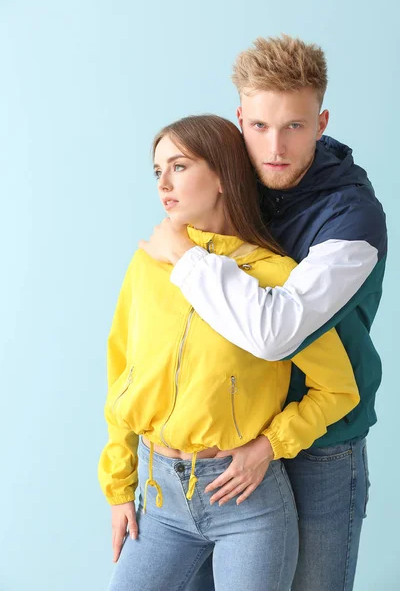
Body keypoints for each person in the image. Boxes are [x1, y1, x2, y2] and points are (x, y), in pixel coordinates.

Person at [140, 36, 387, 591]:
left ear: (321, 122)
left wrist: (184, 253)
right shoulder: (235, 177)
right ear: (240, 119)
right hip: (227, 447)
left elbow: (275, 333)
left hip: (320, 447)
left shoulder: (353, 221)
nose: (274, 146)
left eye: (294, 127)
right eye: (259, 126)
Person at [99, 114, 360, 591]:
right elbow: (123, 375)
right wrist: (119, 488)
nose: (164, 183)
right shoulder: (148, 263)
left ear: (220, 173)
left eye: (178, 166)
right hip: (160, 500)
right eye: (157, 171)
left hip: (247, 506)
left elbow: (339, 389)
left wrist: (271, 445)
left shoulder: (275, 276)